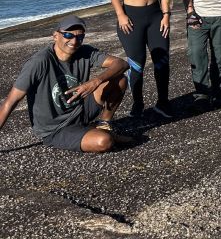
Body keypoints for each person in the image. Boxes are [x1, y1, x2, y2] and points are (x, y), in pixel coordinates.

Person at [0, 16, 130, 152]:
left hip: (80, 111)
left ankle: (103, 124)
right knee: (104, 142)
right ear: (55, 36)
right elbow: (10, 101)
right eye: (68, 35)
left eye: (80, 37)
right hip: (56, 129)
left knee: (119, 79)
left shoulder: (85, 52)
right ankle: (100, 134)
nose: (74, 41)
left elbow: (121, 63)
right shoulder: (40, 62)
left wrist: (95, 81)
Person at [108, 0, 173, 118]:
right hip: (131, 18)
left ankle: (163, 102)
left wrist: (166, 16)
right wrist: (121, 15)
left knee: (162, 61)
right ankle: (138, 103)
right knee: (137, 63)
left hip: (155, 17)